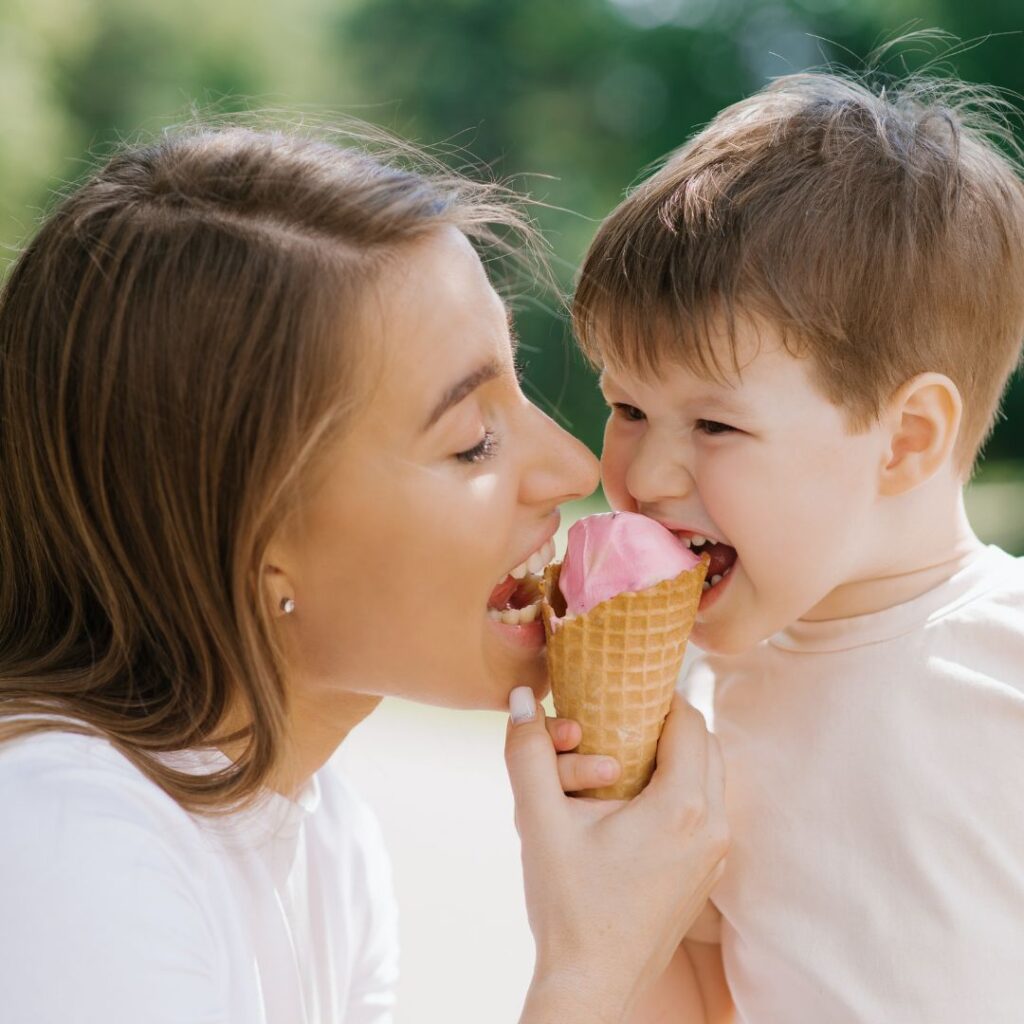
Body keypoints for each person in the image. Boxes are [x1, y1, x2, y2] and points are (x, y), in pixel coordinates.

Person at [0, 124, 729, 1023]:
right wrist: (593, 970)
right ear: (260, 548)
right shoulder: (58, 845)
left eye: (520, 381)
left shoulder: (322, 836)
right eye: (472, 444)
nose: (577, 468)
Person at [571, 66, 1024, 1023]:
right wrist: (607, 844)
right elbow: (700, 996)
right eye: (626, 406)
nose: (646, 476)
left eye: (715, 426)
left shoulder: (1005, 660)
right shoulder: (702, 711)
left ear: (905, 439)